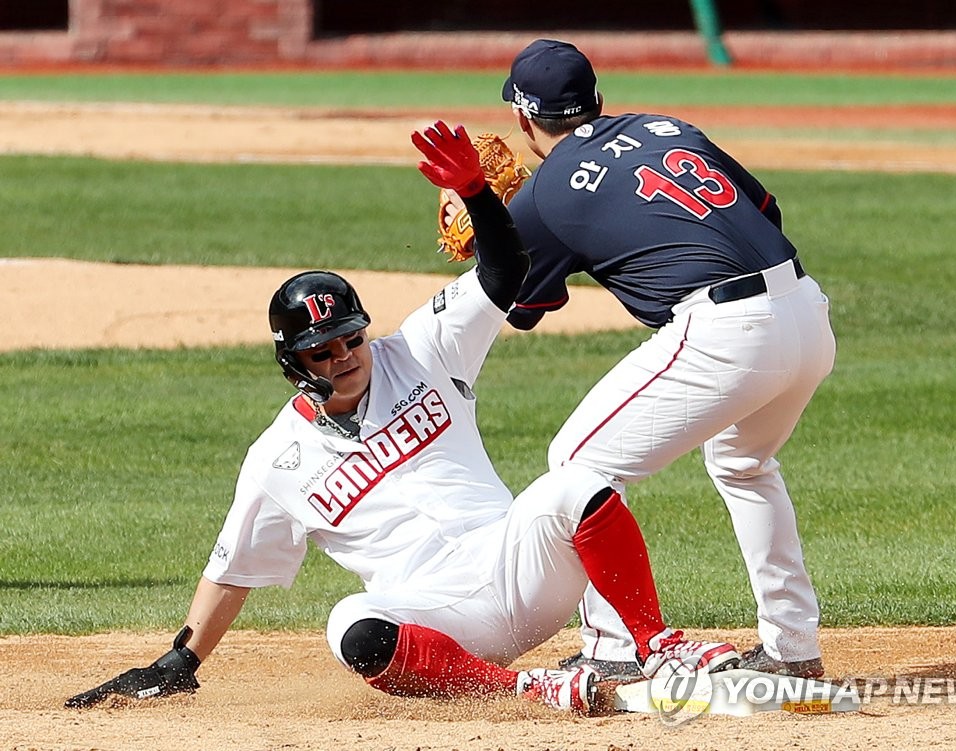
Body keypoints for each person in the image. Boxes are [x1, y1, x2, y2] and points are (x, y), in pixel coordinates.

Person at [65, 121, 739, 716]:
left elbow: (506, 272)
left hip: (520, 566)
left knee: (575, 482)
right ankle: (526, 691)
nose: (346, 355)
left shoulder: (421, 348)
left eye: (352, 338)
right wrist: (179, 663)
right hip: (436, 617)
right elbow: (233, 567)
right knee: (350, 624)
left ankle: (661, 648)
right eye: (323, 351)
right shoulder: (276, 460)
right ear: (294, 362)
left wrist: (478, 192)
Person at [495, 39, 837, 680]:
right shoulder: (666, 127)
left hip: (727, 330)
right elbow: (766, 209)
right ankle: (792, 648)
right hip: (806, 310)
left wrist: (497, 226)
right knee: (744, 463)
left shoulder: (543, 193)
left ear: (521, 118)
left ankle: (617, 644)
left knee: (577, 464)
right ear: (597, 99)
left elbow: (522, 307)